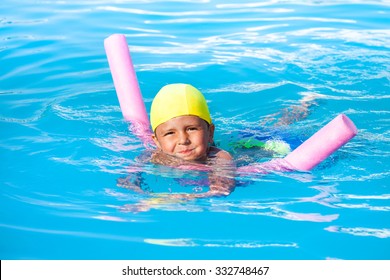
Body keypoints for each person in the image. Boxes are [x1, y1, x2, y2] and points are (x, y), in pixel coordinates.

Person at [148, 83, 236, 197]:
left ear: (210, 132)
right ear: (157, 141)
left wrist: (187, 198)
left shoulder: (219, 158)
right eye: (170, 133)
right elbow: (128, 179)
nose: (183, 140)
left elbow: (222, 189)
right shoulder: (155, 157)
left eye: (191, 129)